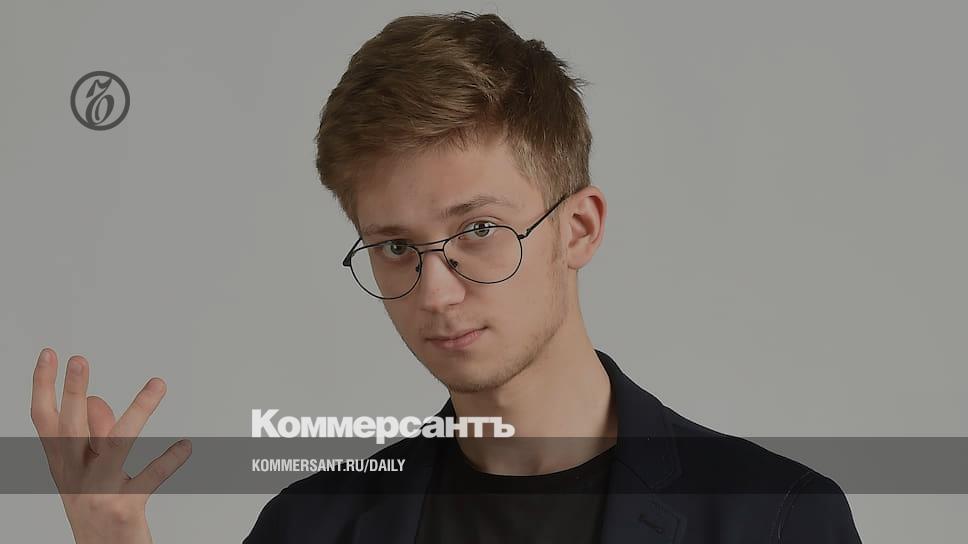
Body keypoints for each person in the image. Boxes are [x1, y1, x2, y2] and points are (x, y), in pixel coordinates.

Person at [31, 11, 862, 544]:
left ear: (578, 229)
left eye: (479, 230)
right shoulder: (311, 528)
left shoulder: (775, 518)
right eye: (395, 246)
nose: (435, 292)